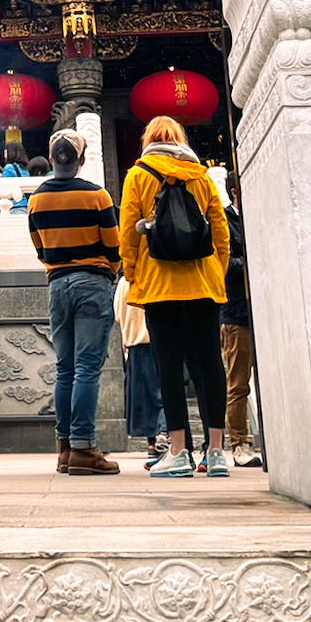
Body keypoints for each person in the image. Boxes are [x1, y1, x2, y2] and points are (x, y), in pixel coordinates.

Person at [119, 114, 231, 479]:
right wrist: (217, 271)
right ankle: (215, 452)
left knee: (167, 364)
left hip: (158, 285)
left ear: (148, 140)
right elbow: (221, 231)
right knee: (209, 362)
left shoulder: (138, 175)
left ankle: (179, 451)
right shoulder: (200, 177)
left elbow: (129, 236)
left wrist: (135, 277)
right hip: (203, 283)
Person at [27, 128, 121, 476]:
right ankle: (84, 445)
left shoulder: (36, 198)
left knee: (64, 368)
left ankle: (65, 447)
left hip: (57, 284)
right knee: (87, 369)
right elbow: (113, 246)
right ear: (81, 160)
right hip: (92, 282)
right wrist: (107, 272)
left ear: (53, 159)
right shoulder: (97, 196)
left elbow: (40, 248)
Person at [221, 178, 260, 467]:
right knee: (238, 383)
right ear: (236, 191)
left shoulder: (260, 216)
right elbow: (222, 263)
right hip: (237, 313)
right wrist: (254, 261)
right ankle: (239, 442)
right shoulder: (224, 220)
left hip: (264, 309)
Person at [113, 275, 166, 462]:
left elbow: (118, 315)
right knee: (164, 390)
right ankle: (164, 432)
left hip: (135, 343)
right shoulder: (155, 274)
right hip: (160, 340)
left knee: (145, 397)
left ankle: (152, 442)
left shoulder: (123, 282)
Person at [1, 141, 31, 212]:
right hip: (26, 205)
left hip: (14, 206)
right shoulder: (25, 168)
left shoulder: (8, 168)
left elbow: (4, 188)